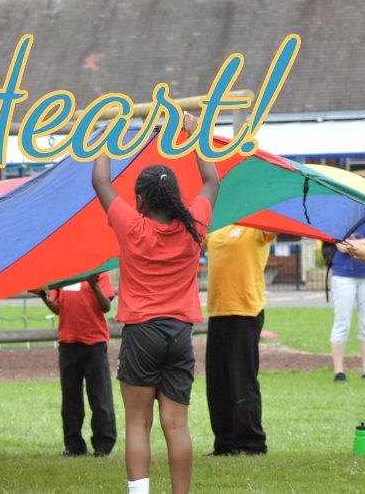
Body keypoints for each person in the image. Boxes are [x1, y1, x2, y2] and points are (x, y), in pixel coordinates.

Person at [92, 111, 215, 494]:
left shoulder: (132, 227)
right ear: (175, 197)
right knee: (177, 425)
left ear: (141, 200)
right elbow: (212, 180)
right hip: (179, 334)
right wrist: (196, 134)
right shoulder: (194, 224)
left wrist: (105, 137)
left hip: (142, 332)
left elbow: (100, 181)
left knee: (137, 423)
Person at [204, 225, 276, 455]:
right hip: (218, 312)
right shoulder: (216, 227)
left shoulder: (256, 227)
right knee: (218, 383)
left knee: (242, 381)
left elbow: (274, 220)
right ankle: (225, 444)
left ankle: (251, 443)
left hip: (245, 312)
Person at [35, 273, 117, 457]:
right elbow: (58, 308)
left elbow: (106, 307)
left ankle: (103, 445)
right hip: (68, 343)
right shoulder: (64, 273)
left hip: (94, 343)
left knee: (99, 396)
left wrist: (94, 285)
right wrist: (43, 296)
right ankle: (73, 445)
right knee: (70, 397)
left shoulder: (99, 273)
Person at [327, 214, 365, 382]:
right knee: (342, 322)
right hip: (343, 274)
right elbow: (342, 247)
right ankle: (339, 371)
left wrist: (357, 244)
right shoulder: (341, 214)